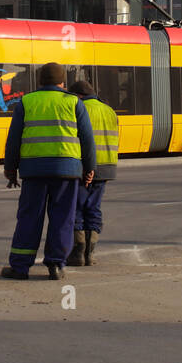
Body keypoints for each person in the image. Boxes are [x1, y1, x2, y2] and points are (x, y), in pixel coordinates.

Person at [1, 61, 96, 281]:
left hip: (33, 171)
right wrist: (90, 168)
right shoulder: (73, 102)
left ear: (40, 81)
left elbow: (13, 139)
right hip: (67, 171)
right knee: (63, 218)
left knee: (28, 218)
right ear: (63, 82)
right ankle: (56, 265)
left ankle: (20, 267)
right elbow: (87, 139)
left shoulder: (27, 101)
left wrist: (10, 168)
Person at [66, 80, 118, 266]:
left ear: (78, 96)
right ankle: (90, 253)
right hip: (106, 166)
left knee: (78, 207)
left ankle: (78, 250)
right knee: (94, 208)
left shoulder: (78, 109)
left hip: (84, 166)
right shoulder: (109, 110)